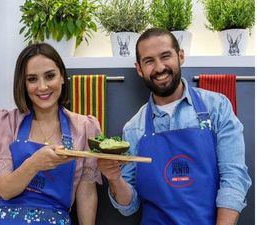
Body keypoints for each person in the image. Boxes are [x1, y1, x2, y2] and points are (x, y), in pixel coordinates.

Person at [97, 28, 251, 225]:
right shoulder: (134, 128)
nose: (159, 67)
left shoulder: (217, 107)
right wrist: (114, 178)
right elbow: (129, 206)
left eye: (165, 56)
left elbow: (234, 179)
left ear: (181, 56)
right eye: (149, 61)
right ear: (139, 69)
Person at [0, 43, 101, 225]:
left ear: (62, 77)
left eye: (50, 76)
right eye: (32, 79)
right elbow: (5, 190)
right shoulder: (7, 123)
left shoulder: (84, 127)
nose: (42, 87)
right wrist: (34, 164)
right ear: (23, 84)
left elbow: (86, 194)